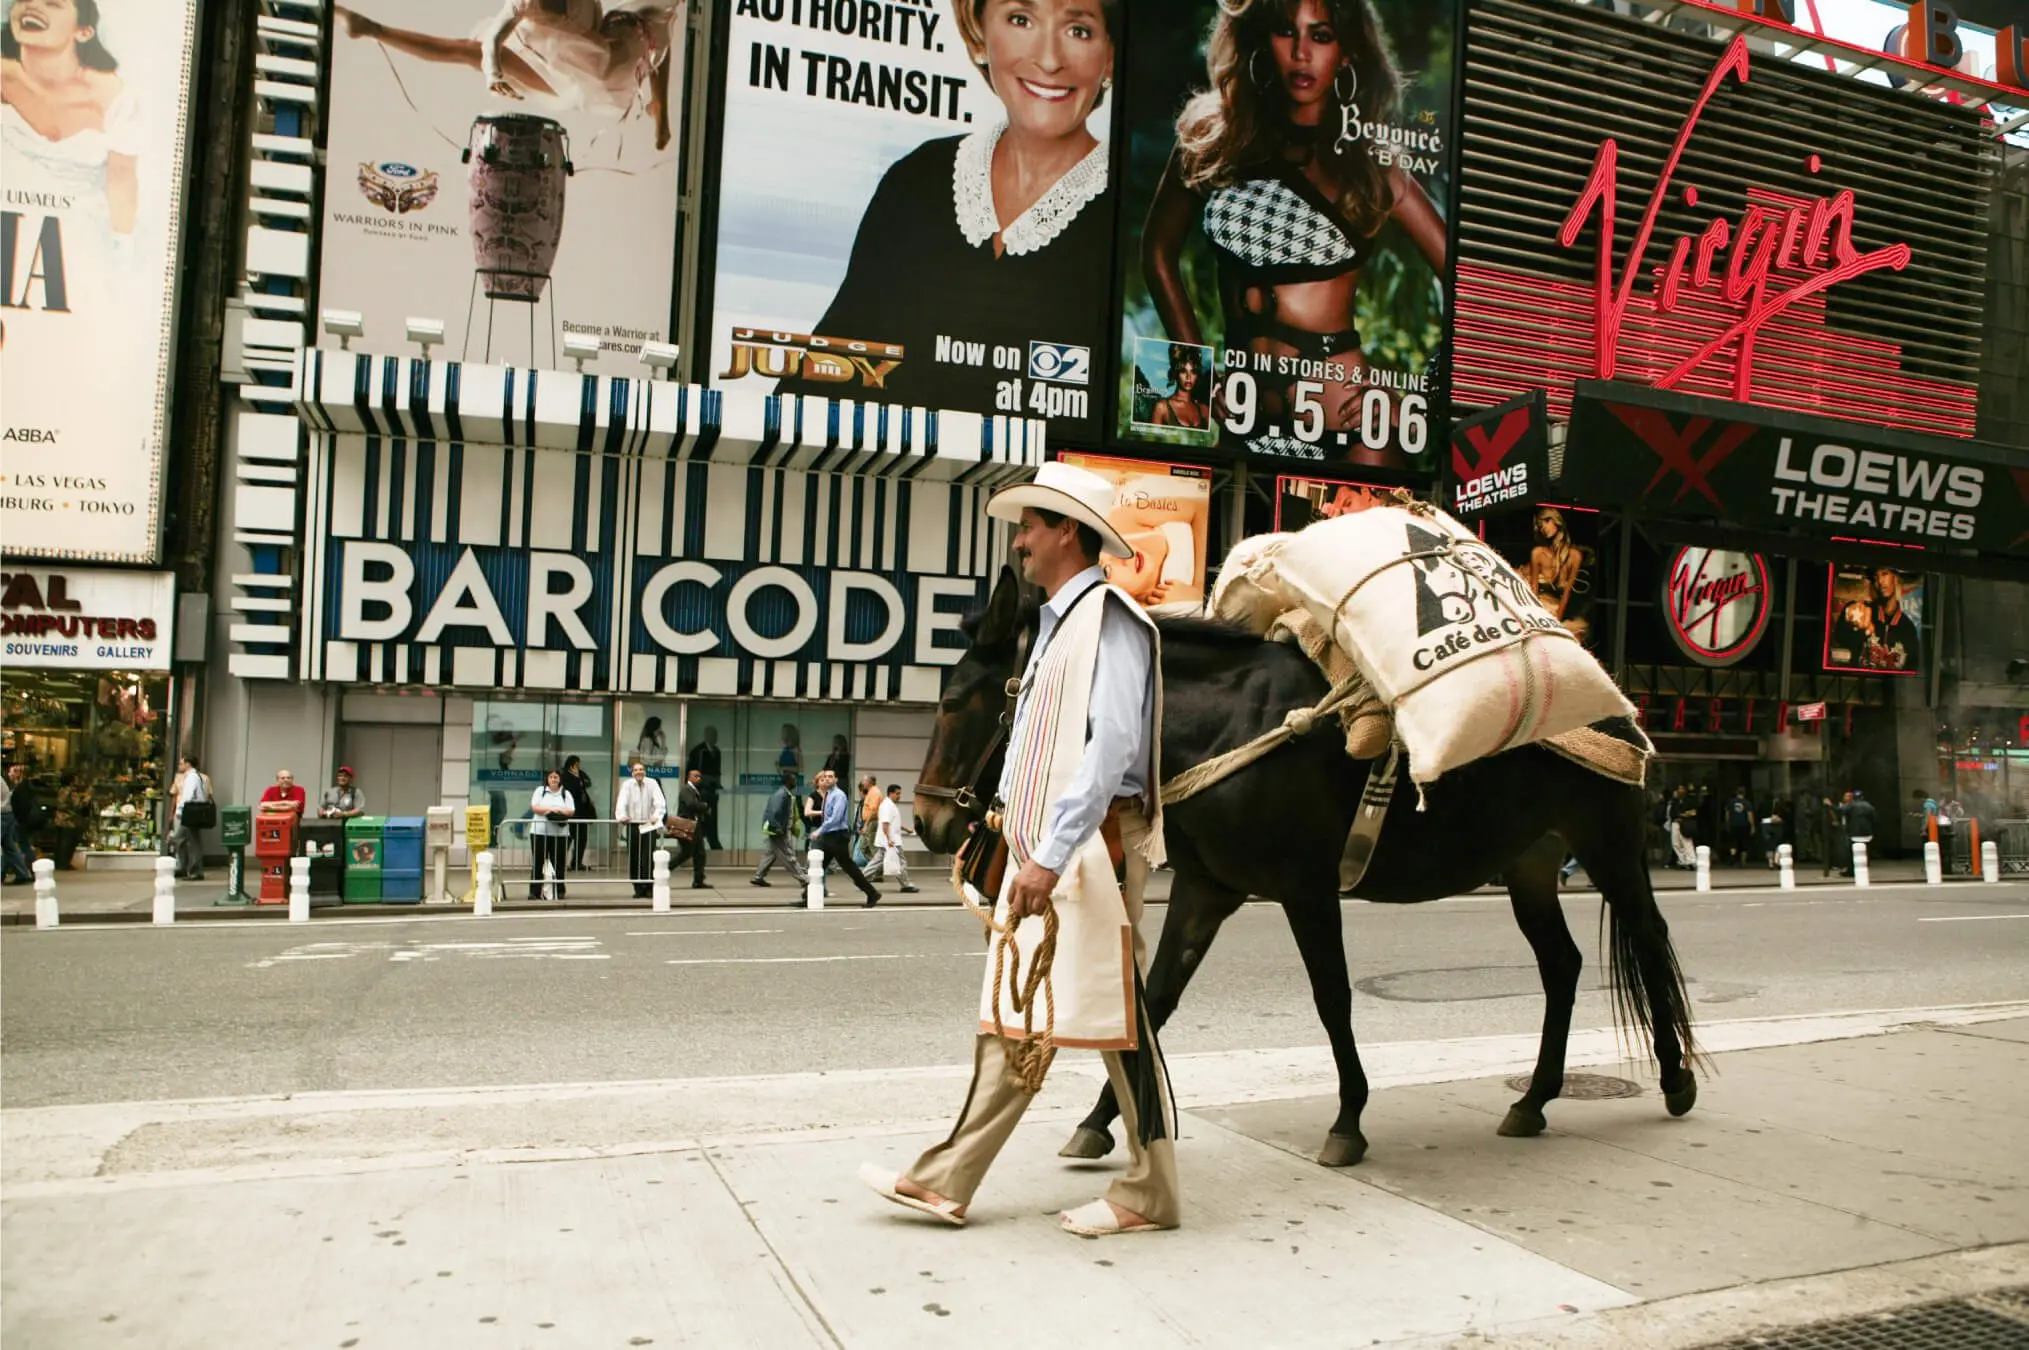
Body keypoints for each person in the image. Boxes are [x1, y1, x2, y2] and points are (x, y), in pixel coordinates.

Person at [859, 460, 1178, 1237]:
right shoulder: (1059, 626)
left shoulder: (1111, 623)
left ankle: (1138, 1192)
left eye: (1030, 525)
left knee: (1097, 1013)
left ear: (1067, 531)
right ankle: (953, 1179)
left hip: (1089, 848)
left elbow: (1110, 754)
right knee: (1056, 1009)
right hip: (1058, 845)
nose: (1020, 541)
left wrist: (1048, 856)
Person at [772, 0, 1118, 415]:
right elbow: (827, 376)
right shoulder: (917, 178)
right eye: (1021, 20)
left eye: (1078, 30)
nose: (1048, 59)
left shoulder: (1130, 217)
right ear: (978, 34)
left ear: (1111, 56)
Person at [1142, 0, 1447, 468]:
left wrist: (1416, 399)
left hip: (1351, 432)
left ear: (1346, 52)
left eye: (1321, 36)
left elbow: (1471, 289)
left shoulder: (1370, 164)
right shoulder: (1214, 136)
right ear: (1263, 38)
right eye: (1287, 32)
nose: (1302, 52)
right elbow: (1158, 255)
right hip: (1243, 421)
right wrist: (1197, 380)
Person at [334, 0, 682, 149]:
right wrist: (493, 73)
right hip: (572, 67)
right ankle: (372, 28)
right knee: (469, 50)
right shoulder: (526, 3)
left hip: (590, 69)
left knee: (467, 50)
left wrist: (661, 119)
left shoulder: (646, 21)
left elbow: (657, 53)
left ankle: (373, 28)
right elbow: (491, 45)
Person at [809, 769, 881, 907]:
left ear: (836, 779)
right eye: (825, 777)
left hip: (838, 836)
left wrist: (819, 830)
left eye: (830, 777)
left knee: (849, 867)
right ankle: (806, 897)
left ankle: (872, 893)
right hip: (830, 836)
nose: (827, 779)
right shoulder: (829, 795)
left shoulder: (839, 796)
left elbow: (835, 818)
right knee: (819, 865)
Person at [1521, 507, 1589, 644]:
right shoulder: (1538, 553)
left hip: (1558, 613)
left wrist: (1557, 619)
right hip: (1539, 608)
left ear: (1557, 522)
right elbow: (1534, 588)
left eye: (1547, 521)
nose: (1543, 528)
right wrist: (1536, 616)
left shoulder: (1575, 556)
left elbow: (1567, 592)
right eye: (1540, 525)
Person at [612, 760, 666, 899]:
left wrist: (656, 816)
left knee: (647, 857)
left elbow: (660, 802)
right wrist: (621, 816)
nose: (639, 772)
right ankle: (637, 887)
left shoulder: (652, 783)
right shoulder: (627, 785)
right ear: (632, 773)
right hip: (634, 825)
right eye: (636, 770)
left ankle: (648, 886)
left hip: (649, 824)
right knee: (634, 856)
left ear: (645, 771)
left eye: (641, 769)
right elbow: (621, 802)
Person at [750, 770, 807, 888]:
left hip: (779, 828)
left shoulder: (784, 793)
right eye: (793, 780)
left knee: (770, 853)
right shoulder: (782, 794)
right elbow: (773, 812)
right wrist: (778, 827)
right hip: (780, 830)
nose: (795, 782)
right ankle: (803, 878)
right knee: (788, 855)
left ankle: (758, 876)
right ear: (787, 781)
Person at [864, 783, 921, 894]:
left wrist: (906, 830)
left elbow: (892, 823)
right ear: (891, 793)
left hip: (888, 839)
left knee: (877, 861)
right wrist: (889, 839)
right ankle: (905, 884)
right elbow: (885, 824)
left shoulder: (889, 805)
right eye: (897, 794)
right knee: (901, 861)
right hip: (891, 840)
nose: (899, 796)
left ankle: (861, 878)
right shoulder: (887, 806)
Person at [527, 769, 575, 898]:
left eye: (556, 777)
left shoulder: (566, 794)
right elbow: (535, 807)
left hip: (560, 834)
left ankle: (559, 891)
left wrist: (559, 811)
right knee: (538, 863)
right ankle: (535, 891)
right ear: (547, 779)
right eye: (551, 777)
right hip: (539, 833)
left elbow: (571, 811)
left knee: (558, 863)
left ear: (560, 779)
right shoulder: (540, 791)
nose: (554, 779)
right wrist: (550, 809)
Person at [168, 756, 214, 881]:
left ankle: (192, 869)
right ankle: (192, 869)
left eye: (182, 763)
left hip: (188, 812)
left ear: (188, 764)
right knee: (193, 841)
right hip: (193, 812)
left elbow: (187, 796)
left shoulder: (191, 777)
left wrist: (179, 811)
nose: (179, 765)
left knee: (179, 838)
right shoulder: (195, 776)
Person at [1147, 343, 1210, 429]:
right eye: (1183, 371)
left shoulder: (1204, 410)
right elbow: (1152, 440)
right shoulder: (1162, 407)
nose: (1188, 377)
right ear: (1176, 373)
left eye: (1193, 372)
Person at [668, 766, 708, 889]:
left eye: (700, 776)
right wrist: (704, 805)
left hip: (695, 826)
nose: (699, 778)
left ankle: (698, 880)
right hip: (687, 826)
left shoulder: (694, 790)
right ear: (689, 777)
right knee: (686, 853)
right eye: (696, 776)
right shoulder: (686, 790)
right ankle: (663, 871)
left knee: (700, 853)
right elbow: (691, 804)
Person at [685, 727, 724, 851]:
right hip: (701, 791)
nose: (714, 738)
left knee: (712, 818)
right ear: (706, 736)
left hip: (712, 791)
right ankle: (697, 844)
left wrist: (717, 785)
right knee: (701, 818)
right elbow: (691, 771)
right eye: (712, 735)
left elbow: (718, 772)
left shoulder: (717, 751)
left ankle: (713, 841)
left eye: (716, 735)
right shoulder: (698, 751)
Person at [561, 755, 598, 870]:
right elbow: (572, 789)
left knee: (582, 839)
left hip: (582, 812)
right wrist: (577, 780)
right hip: (572, 812)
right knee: (569, 838)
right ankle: (560, 863)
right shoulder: (565, 776)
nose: (578, 766)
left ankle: (577, 863)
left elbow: (588, 782)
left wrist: (578, 777)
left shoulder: (580, 774)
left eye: (578, 764)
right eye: (576, 764)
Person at [0, 764, 33, 885]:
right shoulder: (2, 781)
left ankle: (22, 873)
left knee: (9, 847)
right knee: (10, 847)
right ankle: (22, 873)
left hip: (2, 815)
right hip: (8, 814)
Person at [1840, 790, 1878, 873]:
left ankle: (1851, 870)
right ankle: (1865, 865)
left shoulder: (1852, 806)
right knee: (1864, 850)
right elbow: (1874, 818)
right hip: (1867, 832)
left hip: (1854, 832)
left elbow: (1841, 811)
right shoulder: (1869, 806)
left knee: (1851, 851)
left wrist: (1830, 805)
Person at [854, 773, 882, 867]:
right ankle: (875, 867)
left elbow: (873, 810)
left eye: (864, 780)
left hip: (872, 822)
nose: (862, 782)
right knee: (864, 848)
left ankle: (878, 869)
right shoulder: (871, 792)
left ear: (868, 782)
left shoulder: (874, 792)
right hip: (870, 822)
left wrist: (865, 825)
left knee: (872, 847)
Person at [1723, 787, 1755, 867]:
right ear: (1744, 793)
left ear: (1736, 793)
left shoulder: (1731, 802)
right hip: (1744, 825)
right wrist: (1752, 826)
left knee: (1733, 842)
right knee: (1744, 843)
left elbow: (1727, 814)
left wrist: (1727, 823)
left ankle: (1732, 857)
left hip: (1733, 825)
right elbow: (1749, 815)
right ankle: (1743, 862)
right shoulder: (1747, 803)